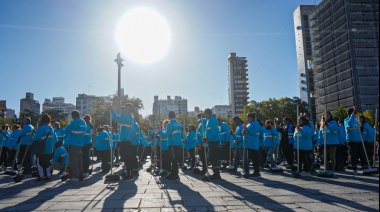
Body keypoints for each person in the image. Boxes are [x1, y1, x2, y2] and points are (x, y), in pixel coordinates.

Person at [110, 103, 134, 180]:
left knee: (127, 158)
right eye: (125, 108)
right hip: (123, 140)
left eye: (127, 108)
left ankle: (129, 174)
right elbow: (121, 117)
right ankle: (126, 172)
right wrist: (121, 110)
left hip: (127, 140)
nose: (125, 109)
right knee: (124, 157)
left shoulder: (129, 117)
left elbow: (117, 118)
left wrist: (112, 109)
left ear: (130, 109)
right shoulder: (126, 116)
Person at [159, 111, 182, 180]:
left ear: (168, 116)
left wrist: (161, 133)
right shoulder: (178, 123)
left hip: (172, 143)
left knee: (173, 159)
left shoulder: (170, 123)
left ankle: (174, 174)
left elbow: (167, 134)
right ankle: (174, 173)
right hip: (178, 143)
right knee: (175, 158)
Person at [32, 114, 55, 181]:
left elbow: (36, 138)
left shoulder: (41, 128)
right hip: (49, 148)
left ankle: (41, 176)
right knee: (47, 162)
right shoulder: (51, 128)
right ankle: (48, 175)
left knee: (39, 162)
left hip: (41, 148)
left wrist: (33, 134)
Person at [65, 110, 86, 182]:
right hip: (80, 143)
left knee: (74, 161)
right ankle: (81, 175)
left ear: (73, 116)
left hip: (73, 143)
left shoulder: (75, 122)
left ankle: (75, 176)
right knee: (80, 161)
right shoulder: (83, 122)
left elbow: (67, 129)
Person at [344, 108, 366, 175]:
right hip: (351, 140)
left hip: (358, 139)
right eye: (353, 113)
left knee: (362, 153)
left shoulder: (356, 120)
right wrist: (352, 115)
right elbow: (349, 124)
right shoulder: (346, 120)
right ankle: (354, 167)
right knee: (353, 154)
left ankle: (364, 166)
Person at [202, 108, 221, 180]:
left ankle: (216, 173)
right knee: (212, 156)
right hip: (211, 140)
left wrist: (207, 137)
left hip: (214, 140)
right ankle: (216, 172)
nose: (204, 115)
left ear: (208, 114)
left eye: (204, 114)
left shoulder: (212, 120)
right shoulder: (209, 120)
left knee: (213, 157)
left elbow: (213, 131)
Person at [245, 112, 261, 177]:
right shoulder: (249, 124)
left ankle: (257, 172)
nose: (247, 119)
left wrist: (246, 128)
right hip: (249, 143)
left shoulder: (256, 124)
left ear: (251, 118)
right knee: (251, 159)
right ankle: (253, 171)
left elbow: (253, 132)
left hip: (253, 144)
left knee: (255, 159)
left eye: (247, 118)